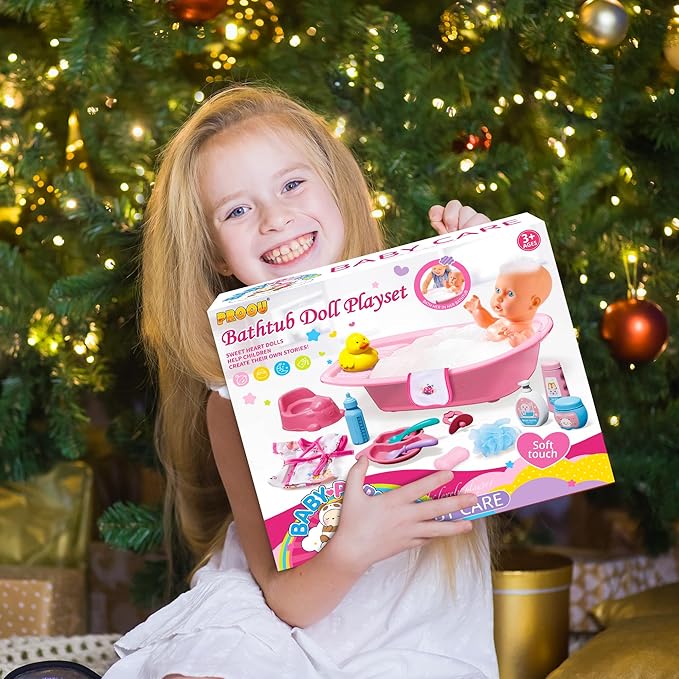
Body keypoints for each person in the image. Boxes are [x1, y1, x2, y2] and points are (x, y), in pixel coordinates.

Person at [102, 84, 498, 679]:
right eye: (236, 210)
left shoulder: (427, 319)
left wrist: (485, 266)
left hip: (417, 634)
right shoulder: (231, 399)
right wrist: (351, 548)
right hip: (281, 618)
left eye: (291, 185)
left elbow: (512, 384)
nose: (275, 218)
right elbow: (288, 600)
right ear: (216, 254)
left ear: (337, 188)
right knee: (204, 664)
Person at [464, 259, 552, 347]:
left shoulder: (526, 331)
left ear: (534, 303)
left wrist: (517, 340)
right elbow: (487, 322)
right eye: (498, 290)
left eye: (510, 294)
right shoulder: (502, 321)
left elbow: (525, 345)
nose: (499, 298)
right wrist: (477, 311)